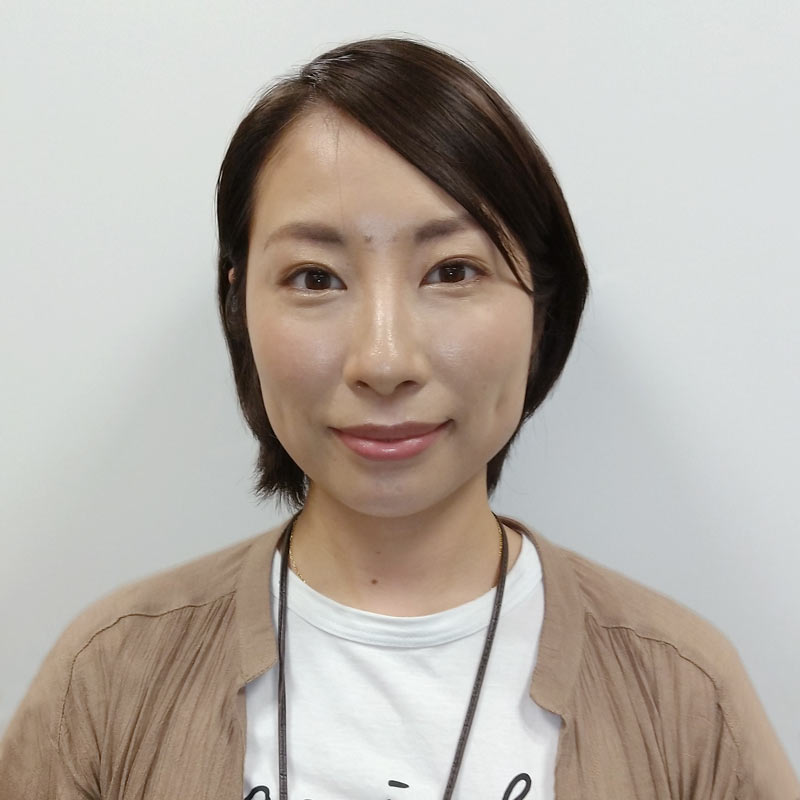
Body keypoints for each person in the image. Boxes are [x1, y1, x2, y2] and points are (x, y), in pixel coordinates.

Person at [0, 35, 797, 800]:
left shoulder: (685, 694)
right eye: (315, 278)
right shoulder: (107, 678)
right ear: (240, 305)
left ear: (541, 310)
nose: (383, 361)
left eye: (452, 271)